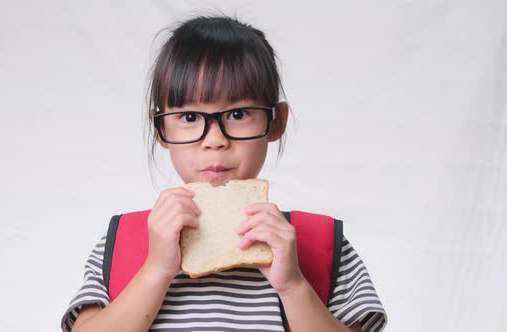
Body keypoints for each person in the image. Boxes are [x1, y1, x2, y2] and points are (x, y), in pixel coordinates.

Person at [61, 15, 387, 332]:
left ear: (276, 122)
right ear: (160, 128)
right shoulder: (124, 239)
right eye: (188, 117)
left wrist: (293, 286)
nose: (215, 141)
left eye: (238, 113)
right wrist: (156, 270)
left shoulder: (323, 242)